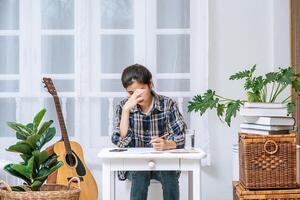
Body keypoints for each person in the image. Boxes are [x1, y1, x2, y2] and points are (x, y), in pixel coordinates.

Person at [111, 64, 186, 200]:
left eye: (141, 90)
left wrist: (167, 144)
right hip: (134, 165)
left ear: (150, 84)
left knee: (169, 173)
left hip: (163, 163)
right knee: (140, 171)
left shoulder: (167, 104)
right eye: (131, 93)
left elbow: (182, 136)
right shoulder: (123, 106)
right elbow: (121, 143)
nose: (136, 96)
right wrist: (126, 111)